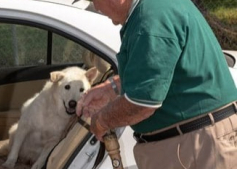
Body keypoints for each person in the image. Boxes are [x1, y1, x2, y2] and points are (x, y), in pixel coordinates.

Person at [75, 0, 237, 168]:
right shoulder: (155, 8)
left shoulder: (151, 17)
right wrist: (112, 88)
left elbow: (142, 103)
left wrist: (102, 121)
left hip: (194, 146)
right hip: (194, 143)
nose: (97, 7)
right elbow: (159, 73)